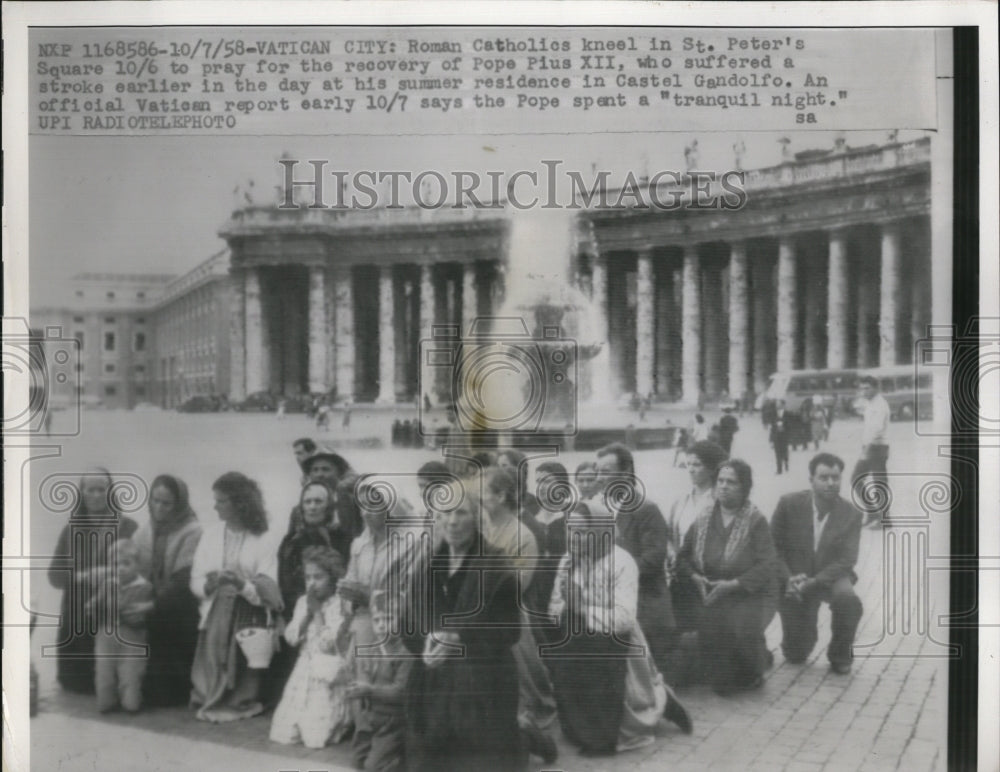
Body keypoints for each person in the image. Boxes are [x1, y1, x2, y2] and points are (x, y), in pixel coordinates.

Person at [401, 481, 526, 772]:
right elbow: (406, 626)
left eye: (461, 513)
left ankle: (525, 739)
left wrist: (458, 637)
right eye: (445, 513)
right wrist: (427, 641)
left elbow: (510, 630)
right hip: (433, 683)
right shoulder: (426, 565)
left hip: (483, 685)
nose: (453, 521)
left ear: (478, 517)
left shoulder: (497, 566)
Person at [547, 509, 692, 757]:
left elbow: (623, 620)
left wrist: (581, 608)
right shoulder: (568, 560)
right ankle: (583, 727)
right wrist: (564, 608)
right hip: (579, 634)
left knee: (612, 714)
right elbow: (555, 606)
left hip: (614, 639)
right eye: (570, 531)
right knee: (564, 669)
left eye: (582, 533)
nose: (574, 539)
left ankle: (661, 700)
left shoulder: (621, 562)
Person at [676, 459, 778, 695]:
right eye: (720, 481)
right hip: (705, 591)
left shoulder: (755, 521)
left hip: (742, 594)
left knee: (730, 684)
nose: (724, 486)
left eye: (731, 482)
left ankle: (754, 661)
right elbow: (682, 557)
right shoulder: (703, 518)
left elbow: (767, 564)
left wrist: (733, 585)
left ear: (744, 487)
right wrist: (694, 577)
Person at [189, 472, 283, 723]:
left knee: (245, 653)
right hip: (216, 610)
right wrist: (210, 584)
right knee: (214, 651)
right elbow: (196, 580)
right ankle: (211, 693)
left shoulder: (264, 537)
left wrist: (241, 584)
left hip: (248, 612)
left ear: (239, 503)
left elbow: (269, 587)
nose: (215, 506)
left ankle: (240, 699)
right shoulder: (210, 534)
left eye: (221, 501)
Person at [480, 468, 558, 763]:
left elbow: (516, 587)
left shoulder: (522, 536)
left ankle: (526, 734)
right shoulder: (481, 528)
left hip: (507, 618)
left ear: (501, 496)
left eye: (483, 491)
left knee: (516, 685)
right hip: (478, 615)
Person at [48, 468, 139, 694]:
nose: (96, 495)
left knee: (111, 682)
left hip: (112, 612)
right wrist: (81, 577)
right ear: (82, 493)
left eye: (102, 489)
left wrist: (107, 574)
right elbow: (54, 575)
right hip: (76, 615)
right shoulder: (70, 530)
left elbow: (139, 572)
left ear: (110, 493)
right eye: (91, 490)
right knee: (73, 684)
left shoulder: (128, 527)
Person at [771, 453, 864, 675]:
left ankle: (840, 654)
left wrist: (815, 581)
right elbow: (772, 548)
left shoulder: (851, 514)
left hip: (830, 577)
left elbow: (847, 559)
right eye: (823, 477)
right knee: (796, 654)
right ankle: (800, 637)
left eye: (836, 477)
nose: (831, 483)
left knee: (848, 600)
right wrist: (788, 578)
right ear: (811, 479)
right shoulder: (788, 504)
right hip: (794, 576)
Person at [593, 443, 674, 677]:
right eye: (598, 471)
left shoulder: (646, 510)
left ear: (626, 472)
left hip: (643, 599)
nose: (600, 478)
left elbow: (653, 559)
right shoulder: (597, 509)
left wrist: (611, 576)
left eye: (606, 471)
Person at [270, 545, 352, 748]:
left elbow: (329, 645)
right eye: (308, 577)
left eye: (318, 577)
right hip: (303, 670)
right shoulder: (302, 602)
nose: (312, 583)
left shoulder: (341, 604)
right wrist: (306, 614)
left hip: (328, 672)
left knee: (315, 738)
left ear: (332, 578)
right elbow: (290, 638)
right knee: (284, 734)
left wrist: (318, 614)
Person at [133, 474, 203, 707]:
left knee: (166, 693)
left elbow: (183, 581)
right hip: (152, 600)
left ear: (179, 504)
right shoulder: (146, 529)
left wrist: (151, 605)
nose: (159, 508)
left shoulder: (192, 531)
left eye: (166, 503)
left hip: (179, 609)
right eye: (155, 501)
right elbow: (132, 567)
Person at [665, 441, 728, 637]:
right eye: (688, 464)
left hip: (708, 577)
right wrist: (671, 553)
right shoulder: (681, 500)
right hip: (680, 574)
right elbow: (670, 534)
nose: (690, 469)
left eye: (697, 465)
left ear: (711, 468)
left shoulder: (722, 501)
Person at [346, 591, 413, 772]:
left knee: (372, 767)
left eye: (389, 619)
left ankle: (398, 760)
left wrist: (369, 690)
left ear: (403, 621)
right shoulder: (373, 648)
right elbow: (365, 678)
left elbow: (400, 691)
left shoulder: (405, 652)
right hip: (371, 718)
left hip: (392, 722)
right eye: (377, 620)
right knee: (356, 760)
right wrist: (357, 689)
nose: (382, 625)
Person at [91, 538, 154, 712]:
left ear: (137, 564)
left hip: (132, 637)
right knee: (104, 670)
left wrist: (136, 612)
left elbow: (141, 613)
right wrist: (92, 606)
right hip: (107, 634)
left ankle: (130, 702)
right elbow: (98, 602)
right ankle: (107, 701)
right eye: (115, 564)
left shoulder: (144, 587)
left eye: (126, 563)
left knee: (131, 672)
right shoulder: (108, 584)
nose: (120, 568)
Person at [278, 482, 353, 620]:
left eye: (318, 501)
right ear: (302, 507)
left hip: (336, 611)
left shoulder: (342, 539)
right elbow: (284, 584)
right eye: (308, 502)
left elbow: (347, 578)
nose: (312, 507)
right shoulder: (290, 543)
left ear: (328, 506)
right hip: (299, 612)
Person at [852, 375, 892, 526]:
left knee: (879, 483)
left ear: (876, 388)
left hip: (877, 448)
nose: (864, 391)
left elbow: (877, 429)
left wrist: (866, 450)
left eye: (867, 388)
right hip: (870, 447)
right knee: (856, 479)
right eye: (862, 388)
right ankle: (873, 512)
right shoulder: (870, 403)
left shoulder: (880, 405)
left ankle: (885, 520)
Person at [769, 399, 791, 474]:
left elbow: (790, 425)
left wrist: (783, 423)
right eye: (776, 404)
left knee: (784, 452)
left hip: (784, 436)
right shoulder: (773, 413)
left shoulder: (787, 413)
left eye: (779, 404)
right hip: (776, 436)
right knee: (777, 453)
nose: (777, 405)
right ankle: (779, 469)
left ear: (783, 405)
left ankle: (786, 462)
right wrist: (771, 439)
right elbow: (772, 427)